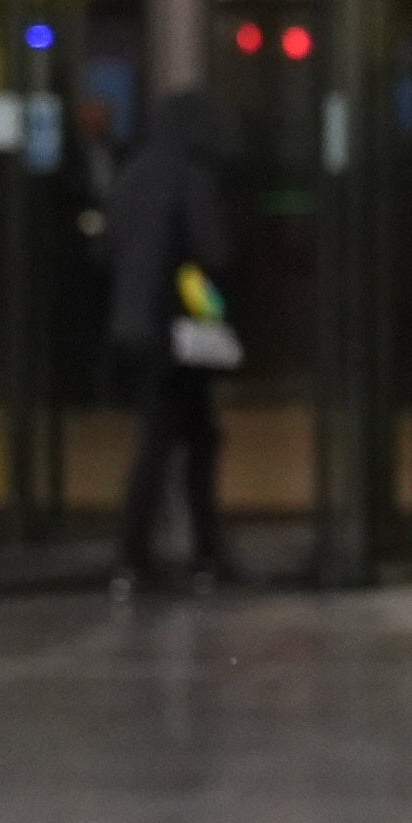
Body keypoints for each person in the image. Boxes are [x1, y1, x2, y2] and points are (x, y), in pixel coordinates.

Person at [101, 83, 235, 593]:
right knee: (182, 444)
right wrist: (215, 314)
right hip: (178, 332)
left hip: (135, 328)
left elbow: (110, 250)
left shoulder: (134, 174)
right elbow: (211, 254)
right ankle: (168, 551)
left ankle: (159, 552)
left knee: (170, 439)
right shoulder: (192, 178)